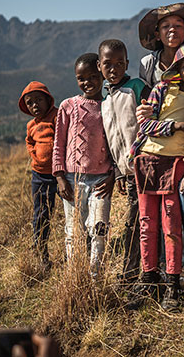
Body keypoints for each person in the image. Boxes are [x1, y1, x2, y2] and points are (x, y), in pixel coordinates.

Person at [127, 43, 184, 311]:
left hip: (177, 162)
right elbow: (146, 125)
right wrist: (180, 126)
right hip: (148, 158)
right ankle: (149, 276)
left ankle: (172, 281)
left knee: (172, 223)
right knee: (147, 222)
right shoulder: (163, 89)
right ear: (177, 69)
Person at [52, 53, 114, 276]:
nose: (87, 82)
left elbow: (115, 143)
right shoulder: (68, 106)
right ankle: (74, 274)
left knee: (99, 227)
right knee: (73, 230)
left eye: (93, 76)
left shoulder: (109, 105)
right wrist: (59, 177)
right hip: (71, 179)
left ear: (102, 75)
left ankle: (95, 274)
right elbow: (58, 143)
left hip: (101, 179)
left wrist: (113, 175)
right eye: (81, 78)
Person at [98, 39, 149, 283]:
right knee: (136, 222)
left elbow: (150, 121)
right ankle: (137, 270)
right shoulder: (105, 100)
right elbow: (112, 138)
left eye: (120, 63)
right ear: (99, 66)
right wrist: (118, 172)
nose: (114, 69)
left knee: (136, 223)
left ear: (127, 63)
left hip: (146, 168)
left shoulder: (137, 87)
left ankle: (132, 273)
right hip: (127, 173)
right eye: (108, 64)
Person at [19, 81, 58, 271]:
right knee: (41, 213)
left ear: (48, 99)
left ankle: (78, 249)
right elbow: (29, 142)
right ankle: (41, 251)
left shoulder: (56, 117)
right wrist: (34, 155)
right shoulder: (31, 126)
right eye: (30, 103)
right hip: (39, 176)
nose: (35, 105)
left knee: (72, 209)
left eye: (39, 100)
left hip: (60, 174)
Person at [138, 2, 184, 87]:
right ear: (158, 35)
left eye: (178, 25)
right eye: (166, 26)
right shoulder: (148, 63)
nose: (172, 29)